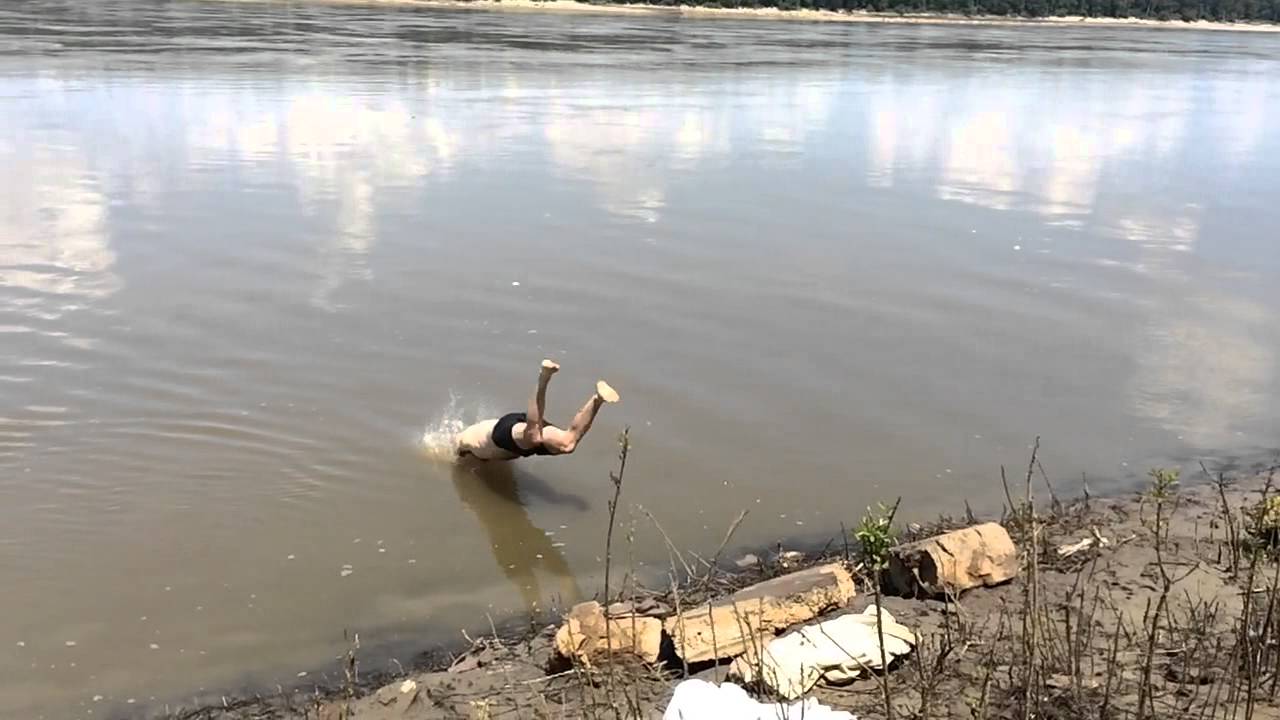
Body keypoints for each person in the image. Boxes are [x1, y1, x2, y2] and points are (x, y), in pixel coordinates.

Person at [455, 360, 619, 461]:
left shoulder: (465, 440)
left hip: (501, 433)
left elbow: (456, 449)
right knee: (567, 444)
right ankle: (597, 399)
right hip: (523, 444)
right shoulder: (476, 444)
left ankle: (543, 377)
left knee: (533, 437)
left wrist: (456, 458)